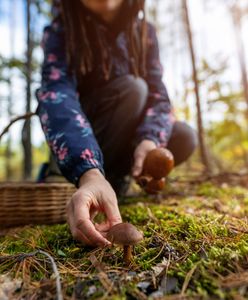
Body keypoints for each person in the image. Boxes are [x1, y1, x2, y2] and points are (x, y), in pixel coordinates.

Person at [36, 0, 197, 247]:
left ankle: (117, 181)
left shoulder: (145, 32)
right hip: (84, 139)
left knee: (184, 136)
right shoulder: (62, 31)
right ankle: (82, 179)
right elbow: (56, 96)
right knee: (133, 89)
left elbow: (160, 96)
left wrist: (149, 139)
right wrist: (87, 171)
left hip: (127, 138)